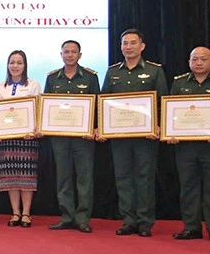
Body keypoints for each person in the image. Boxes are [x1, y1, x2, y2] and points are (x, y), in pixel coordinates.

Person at [100, 29, 167, 237]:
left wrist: (158, 126)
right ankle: (129, 220)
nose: (128, 47)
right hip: (119, 136)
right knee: (123, 178)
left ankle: (145, 222)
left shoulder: (155, 71)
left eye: (132, 43)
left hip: (145, 137)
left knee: (144, 178)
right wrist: (103, 127)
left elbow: (162, 102)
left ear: (142, 46)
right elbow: (104, 102)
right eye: (125, 43)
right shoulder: (113, 72)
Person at [44, 40, 100, 233]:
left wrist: (95, 127)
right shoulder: (52, 78)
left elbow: (98, 105)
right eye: (66, 52)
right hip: (59, 136)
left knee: (85, 178)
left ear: (79, 55)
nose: (69, 55)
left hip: (83, 138)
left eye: (73, 52)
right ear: (61, 55)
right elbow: (47, 105)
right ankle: (67, 216)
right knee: (63, 178)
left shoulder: (91, 77)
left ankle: (83, 219)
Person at [0, 50, 42, 228]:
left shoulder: (34, 85)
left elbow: (38, 110)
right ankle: (15, 212)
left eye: (19, 63)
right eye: (12, 62)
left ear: (25, 65)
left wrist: (35, 129)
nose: (15, 66)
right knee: (11, 176)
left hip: (27, 138)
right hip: (7, 139)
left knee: (27, 176)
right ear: (8, 65)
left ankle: (26, 213)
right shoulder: (0, 87)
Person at [166, 46, 210, 240]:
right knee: (188, 187)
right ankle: (191, 227)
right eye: (194, 59)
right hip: (185, 147)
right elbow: (171, 111)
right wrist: (170, 131)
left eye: (203, 59)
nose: (198, 63)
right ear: (189, 62)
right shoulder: (179, 83)